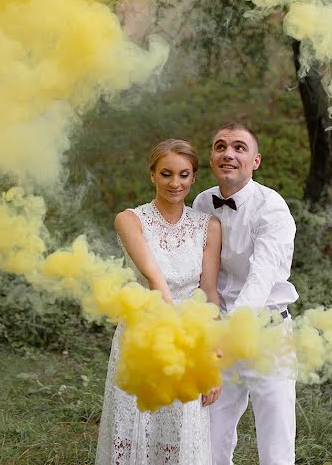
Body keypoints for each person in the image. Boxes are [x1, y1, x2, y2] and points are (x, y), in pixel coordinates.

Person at [95, 138, 223, 465]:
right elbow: (157, 283)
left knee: (180, 431)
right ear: (152, 174)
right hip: (143, 338)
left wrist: (210, 361)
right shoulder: (130, 220)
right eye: (166, 174)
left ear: (194, 177)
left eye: (184, 175)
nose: (175, 183)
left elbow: (208, 292)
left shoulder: (208, 226)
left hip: (189, 338)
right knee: (137, 427)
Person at [192, 123, 298, 465]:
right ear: (211, 158)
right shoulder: (202, 202)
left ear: (255, 160)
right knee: (210, 434)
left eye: (239, 147)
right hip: (219, 331)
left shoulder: (272, 207)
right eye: (220, 146)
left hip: (267, 335)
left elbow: (262, 276)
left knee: (276, 443)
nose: (228, 153)